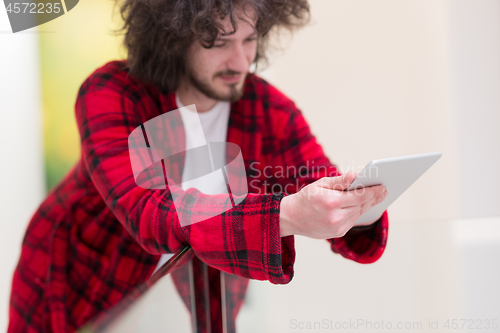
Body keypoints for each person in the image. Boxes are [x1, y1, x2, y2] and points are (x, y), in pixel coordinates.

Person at [8, 0, 389, 332]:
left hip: (190, 304)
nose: (240, 61)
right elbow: (150, 213)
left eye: (250, 39)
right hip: (77, 286)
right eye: (219, 42)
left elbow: (319, 180)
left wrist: (356, 205)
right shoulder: (113, 92)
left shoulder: (267, 108)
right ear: (172, 38)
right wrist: (284, 215)